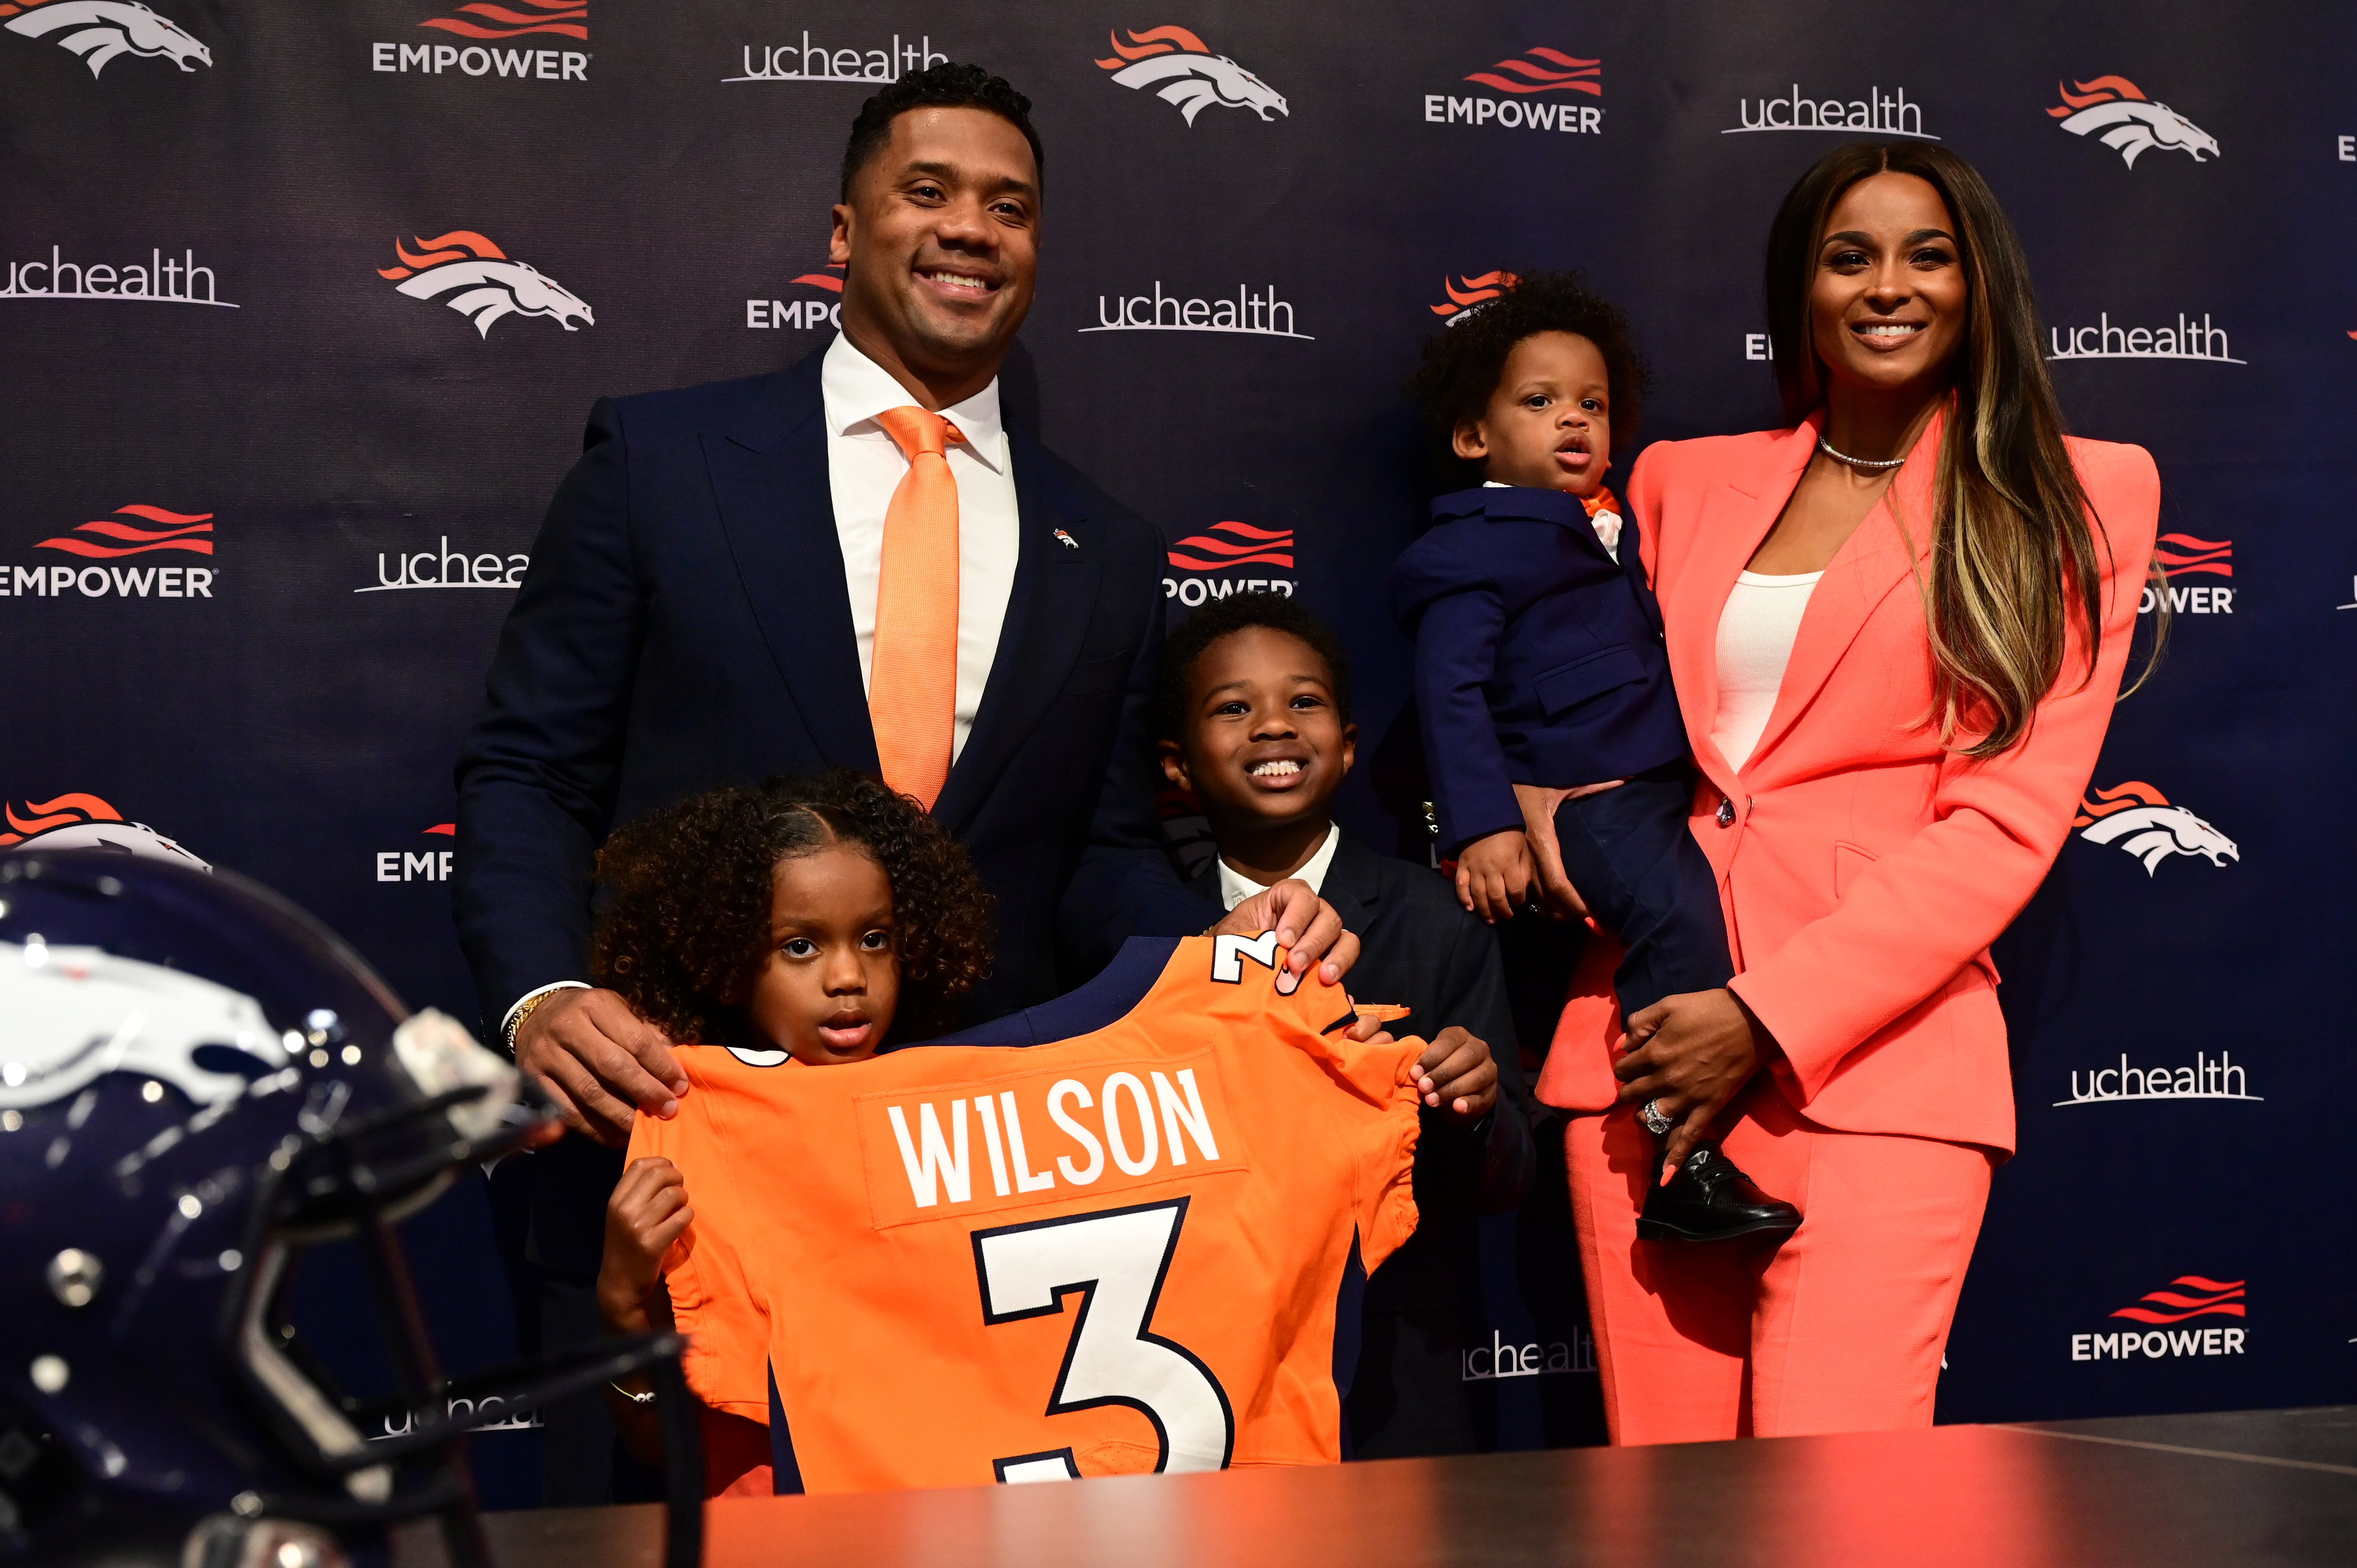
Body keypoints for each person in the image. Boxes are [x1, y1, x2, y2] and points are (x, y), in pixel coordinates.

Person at [450, 63, 1357, 1501]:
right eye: (928, 192)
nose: (970, 230)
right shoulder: (662, 459)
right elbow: (525, 771)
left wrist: (1221, 949)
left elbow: (1102, 854)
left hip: (983, 1213)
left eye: (1010, 206)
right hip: (693, 1184)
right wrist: (541, 994)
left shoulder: (1108, 546)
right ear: (843, 231)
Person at [1537, 142, 2164, 1442]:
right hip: (1643, 1056)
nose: (1891, 286)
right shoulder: (1676, 480)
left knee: (1844, 1509)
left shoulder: (2076, 491)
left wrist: (1765, 1015)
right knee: (1666, 1519)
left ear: (1978, 279)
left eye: (1928, 254)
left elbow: (2003, 822)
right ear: (1802, 290)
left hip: (1878, 1068)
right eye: (1850, 255)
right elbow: (1604, 729)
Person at [1387, 273, 1799, 1244]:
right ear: (1472, 438)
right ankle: (1675, 1150)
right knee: (1679, 913)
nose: (1572, 421)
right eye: (1538, 403)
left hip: (1657, 790)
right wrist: (1485, 826)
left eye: (1591, 404)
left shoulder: (1617, 530)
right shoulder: (1475, 545)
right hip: (1592, 805)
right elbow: (1449, 694)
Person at [1154, 590, 1536, 1456]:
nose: (1273, 727)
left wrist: (1468, 1102)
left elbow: (1504, 1179)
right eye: (1233, 708)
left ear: (1349, 746)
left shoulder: (1436, 918)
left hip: (1398, 1365)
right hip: (1202, 1366)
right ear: (1176, 766)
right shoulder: (1149, 932)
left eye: (1303, 702)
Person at [589, 772, 995, 1496]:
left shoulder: (971, 1119)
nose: (848, 975)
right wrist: (622, 1301)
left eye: (875, 938)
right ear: (727, 957)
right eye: (801, 946)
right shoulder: (686, 1141)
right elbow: (664, 1446)